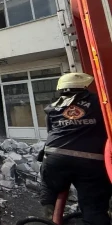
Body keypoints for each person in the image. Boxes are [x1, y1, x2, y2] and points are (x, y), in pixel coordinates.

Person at [40, 72, 111, 224]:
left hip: (55, 158)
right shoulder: (100, 102)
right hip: (91, 162)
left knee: (49, 179)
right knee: (94, 206)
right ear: (83, 87)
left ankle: (48, 204)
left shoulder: (52, 107)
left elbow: (51, 133)